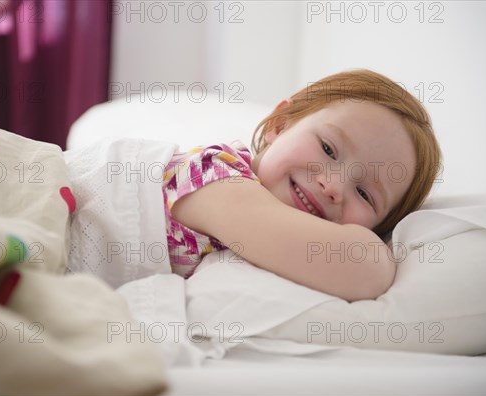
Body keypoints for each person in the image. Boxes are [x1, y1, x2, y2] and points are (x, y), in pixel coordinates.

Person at [162, 69, 442, 302]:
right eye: (328, 149)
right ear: (279, 125)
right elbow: (365, 268)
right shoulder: (213, 175)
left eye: (364, 194)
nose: (333, 185)